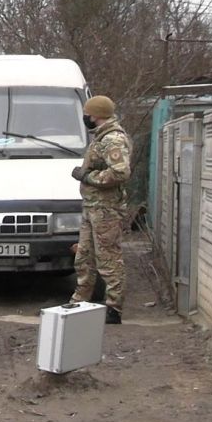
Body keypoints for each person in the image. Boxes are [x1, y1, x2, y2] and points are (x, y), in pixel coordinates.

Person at [70, 95, 131, 324]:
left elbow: (120, 172)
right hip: (93, 207)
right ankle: (79, 302)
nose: (85, 117)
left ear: (95, 115)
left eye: (87, 113)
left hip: (106, 209)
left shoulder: (113, 139)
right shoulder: (101, 137)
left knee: (108, 259)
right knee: (84, 257)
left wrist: (88, 177)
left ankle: (114, 308)